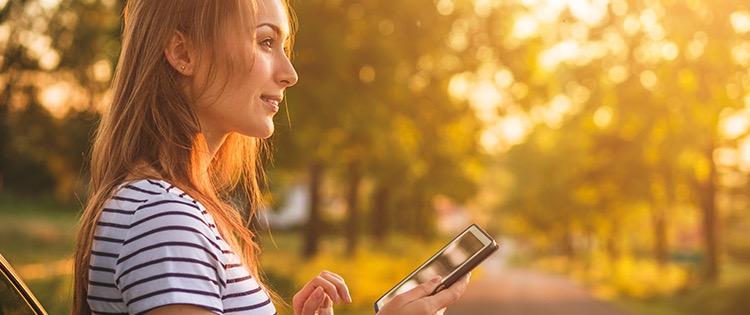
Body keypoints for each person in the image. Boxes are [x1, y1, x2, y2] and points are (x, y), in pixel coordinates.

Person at [72, 0, 471, 314]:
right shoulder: (163, 219)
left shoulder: (163, 208)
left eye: (283, 46)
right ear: (182, 52)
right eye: (265, 42)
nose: (289, 72)